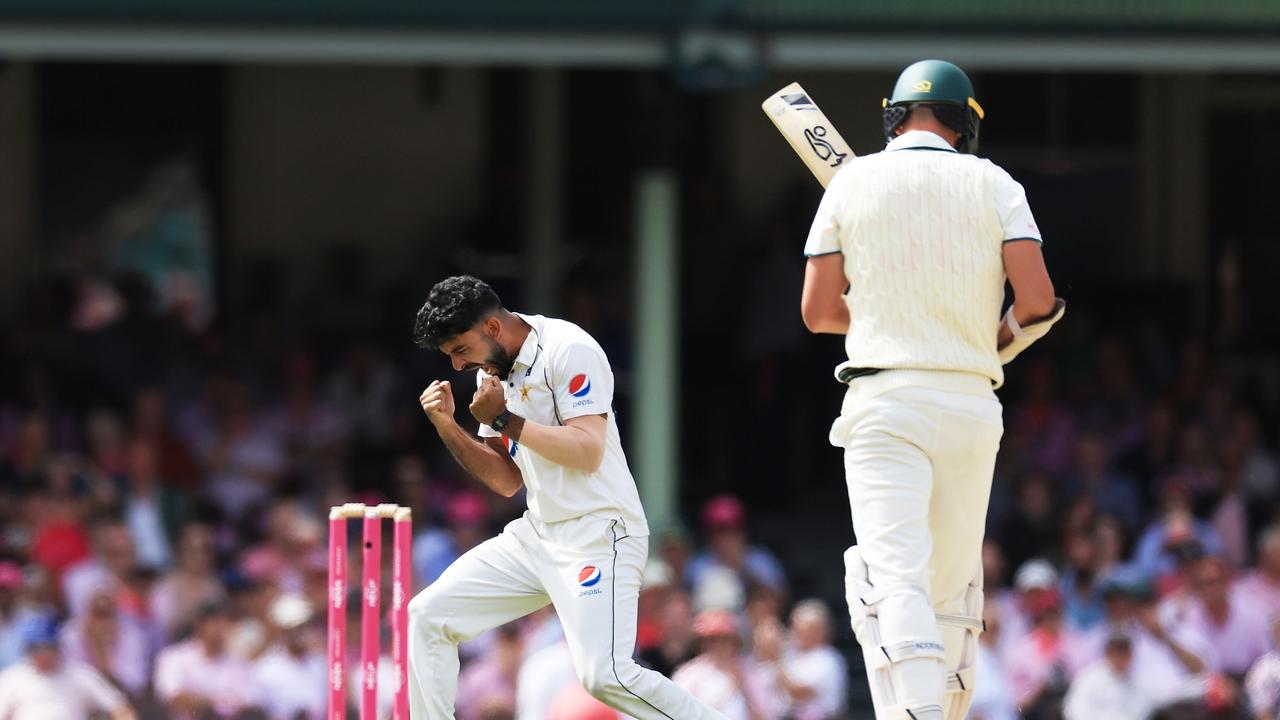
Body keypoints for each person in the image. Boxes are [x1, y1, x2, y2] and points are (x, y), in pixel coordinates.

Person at [799, 59, 1062, 720]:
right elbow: (1036, 302)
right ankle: (932, 711)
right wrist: (983, 328)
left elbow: (818, 312)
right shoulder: (996, 183)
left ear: (893, 114)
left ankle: (916, 711)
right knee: (947, 583)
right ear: (965, 123)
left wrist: (889, 312)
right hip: (972, 403)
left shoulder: (853, 182)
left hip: (887, 402)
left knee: (891, 577)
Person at [408, 275, 727, 719]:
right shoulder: (491, 370)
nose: (459, 366)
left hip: (600, 532)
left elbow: (587, 450)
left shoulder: (568, 348)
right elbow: (505, 481)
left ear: (493, 329)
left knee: (605, 676)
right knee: (427, 615)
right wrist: (448, 425)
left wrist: (504, 419)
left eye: (461, 350)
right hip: (538, 534)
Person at [0, 617, 137, 720]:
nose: (42, 654)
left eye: (46, 648)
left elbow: (119, 708)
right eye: (36, 649)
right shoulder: (12, 678)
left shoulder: (80, 674)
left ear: (57, 647)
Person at [1062, 634, 1158, 720]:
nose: (1121, 657)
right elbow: (1073, 709)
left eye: (1125, 652)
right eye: (1117, 652)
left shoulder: (1140, 679)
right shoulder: (1090, 677)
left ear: (1131, 654)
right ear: (1108, 653)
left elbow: (1145, 711)